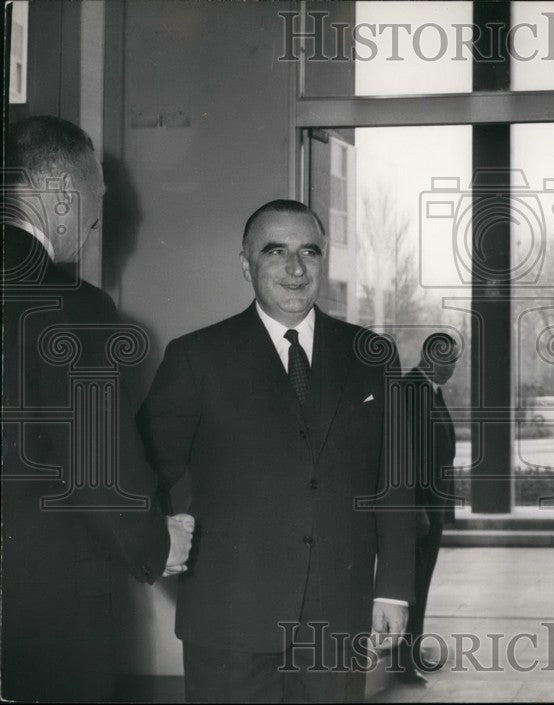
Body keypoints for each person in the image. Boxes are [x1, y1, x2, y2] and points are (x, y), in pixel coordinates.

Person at [137, 199, 415, 702]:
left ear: (322, 261)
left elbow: (394, 483)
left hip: (335, 621)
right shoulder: (197, 357)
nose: (294, 267)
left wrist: (392, 589)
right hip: (229, 621)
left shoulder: (370, 356)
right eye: (275, 251)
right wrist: (157, 533)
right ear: (246, 264)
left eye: (308, 251)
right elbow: (142, 466)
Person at [1, 116, 193, 701]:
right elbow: (97, 467)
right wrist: (157, 546)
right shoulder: (73, 307)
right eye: (95, 197)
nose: (94, 219)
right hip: (42, 610)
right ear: (60, 193)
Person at [394, 332, 461, 684]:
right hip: (419, 510)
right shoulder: (412, 390)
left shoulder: (429, 391)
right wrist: (417, 509)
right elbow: (409, 458)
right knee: (414, 585)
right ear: (428, 356)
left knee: (421, 582)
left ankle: (411, 651)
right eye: (446, 360)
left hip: (432, 507)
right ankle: (404, 661)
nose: (451, 368)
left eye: (454, 361)